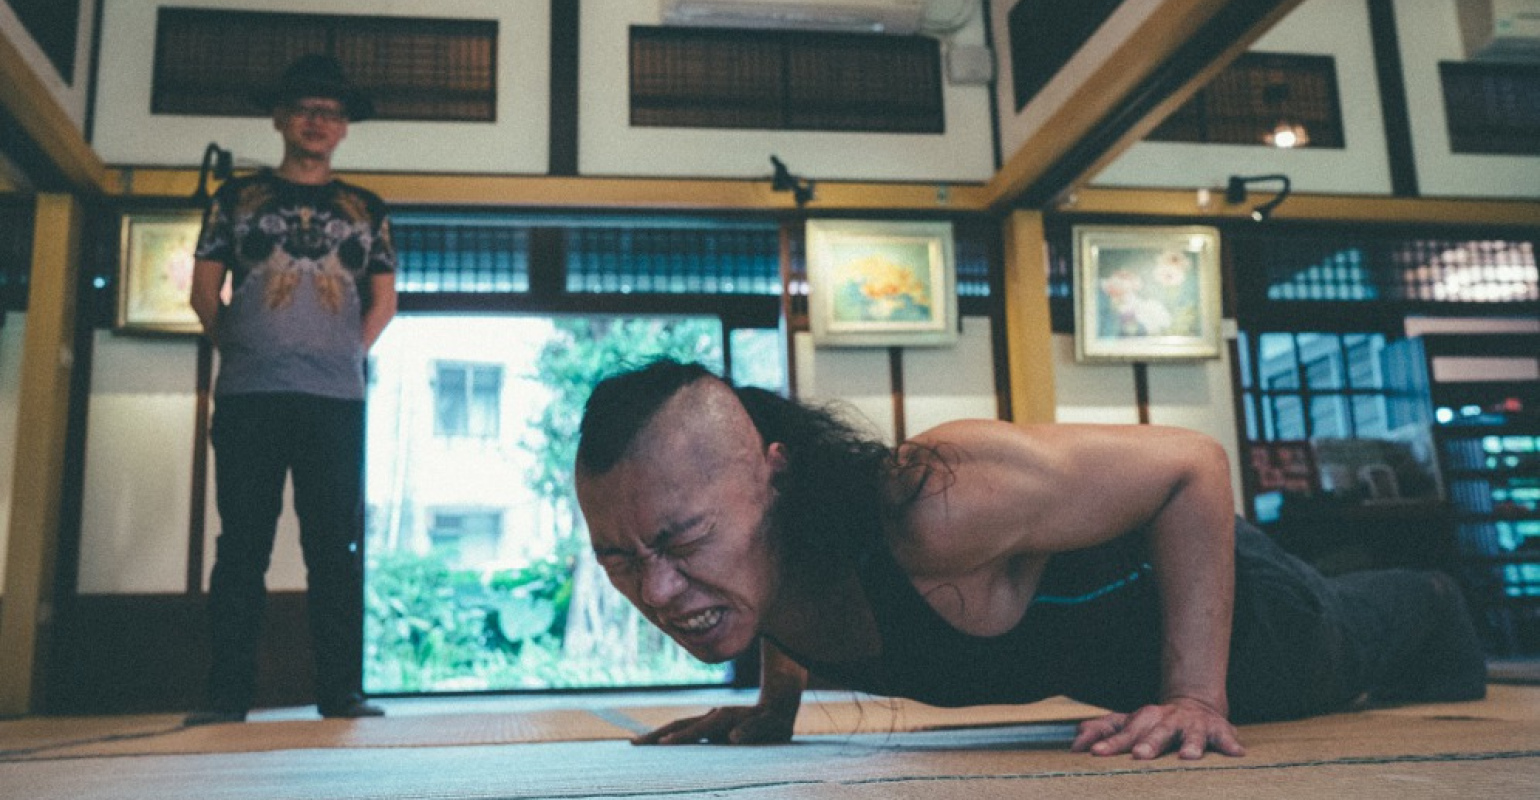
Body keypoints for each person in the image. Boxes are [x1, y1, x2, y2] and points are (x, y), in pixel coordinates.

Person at [573, 359, 1487, 759]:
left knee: (1380, 631)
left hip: (1261, 632)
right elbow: (777, 598)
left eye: (681, 541)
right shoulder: (768, 562)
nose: (658, 590)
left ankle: (1438, 597)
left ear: (775, 478)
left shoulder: (931, 505)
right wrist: (773, 711)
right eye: (618, 557)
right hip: (1140, 685)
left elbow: (1194, 467)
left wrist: (1197, 698)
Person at [184, 54, 397, 725]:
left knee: (334, 548)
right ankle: (226, 697)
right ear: (279, 118)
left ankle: (341, 693)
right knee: (241, 546)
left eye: (330, 112)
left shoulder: (367, 208)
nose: (317, 121)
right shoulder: (235, 198)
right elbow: (203, 291)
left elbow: (385, 301)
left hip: (336, 400)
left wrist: (345, 353)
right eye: (305, 108)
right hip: (248, 396)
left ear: (345, 128)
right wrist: (241, 349)